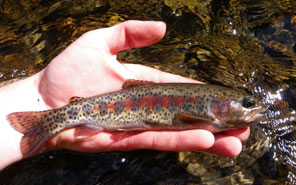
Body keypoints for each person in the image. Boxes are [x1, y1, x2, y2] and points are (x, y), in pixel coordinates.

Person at [0, 20, 250, 170]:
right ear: (221, 103)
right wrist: (38, 91)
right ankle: (47, 122)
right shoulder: (208, 116)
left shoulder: (211, 115)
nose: (251, 108)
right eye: (247, 104)